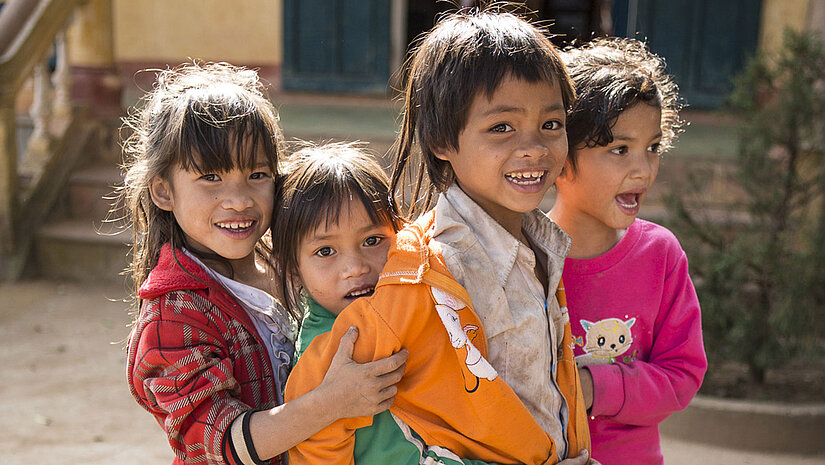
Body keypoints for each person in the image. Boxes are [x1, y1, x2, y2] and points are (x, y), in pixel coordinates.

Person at [285, 8, 592, 465]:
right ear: (443, 141)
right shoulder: (419, 273)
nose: (533, 147)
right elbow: (317, 401)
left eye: (551, 124)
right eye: (501, 128)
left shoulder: (540, 245)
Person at [121, 62, 407, 465]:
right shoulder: (174, 315)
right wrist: (332, 403)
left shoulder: (291, 261)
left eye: (256, 174)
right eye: (211, 177)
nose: (239, 199)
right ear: (164, 191)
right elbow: (223, 443)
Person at [549, 37, 708, 465]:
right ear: (560, 157)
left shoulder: (660, 255)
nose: (644, 169)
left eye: (652, 147)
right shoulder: (519, 255)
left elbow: (682, 375)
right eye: (619, 150)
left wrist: (595, 387)